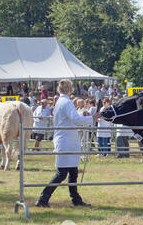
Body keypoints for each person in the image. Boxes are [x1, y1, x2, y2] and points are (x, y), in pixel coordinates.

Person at [35, 79, 101, 208]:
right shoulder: (67, 102)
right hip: (66, 141)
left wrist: (84, 117)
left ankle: (75, 199)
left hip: (67, 140)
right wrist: (92, 118)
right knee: (62, 173)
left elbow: (72, 119)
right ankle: (43, 199)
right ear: (70, 89)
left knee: (73, 172)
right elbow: (76, 119)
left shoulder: (61, 101)